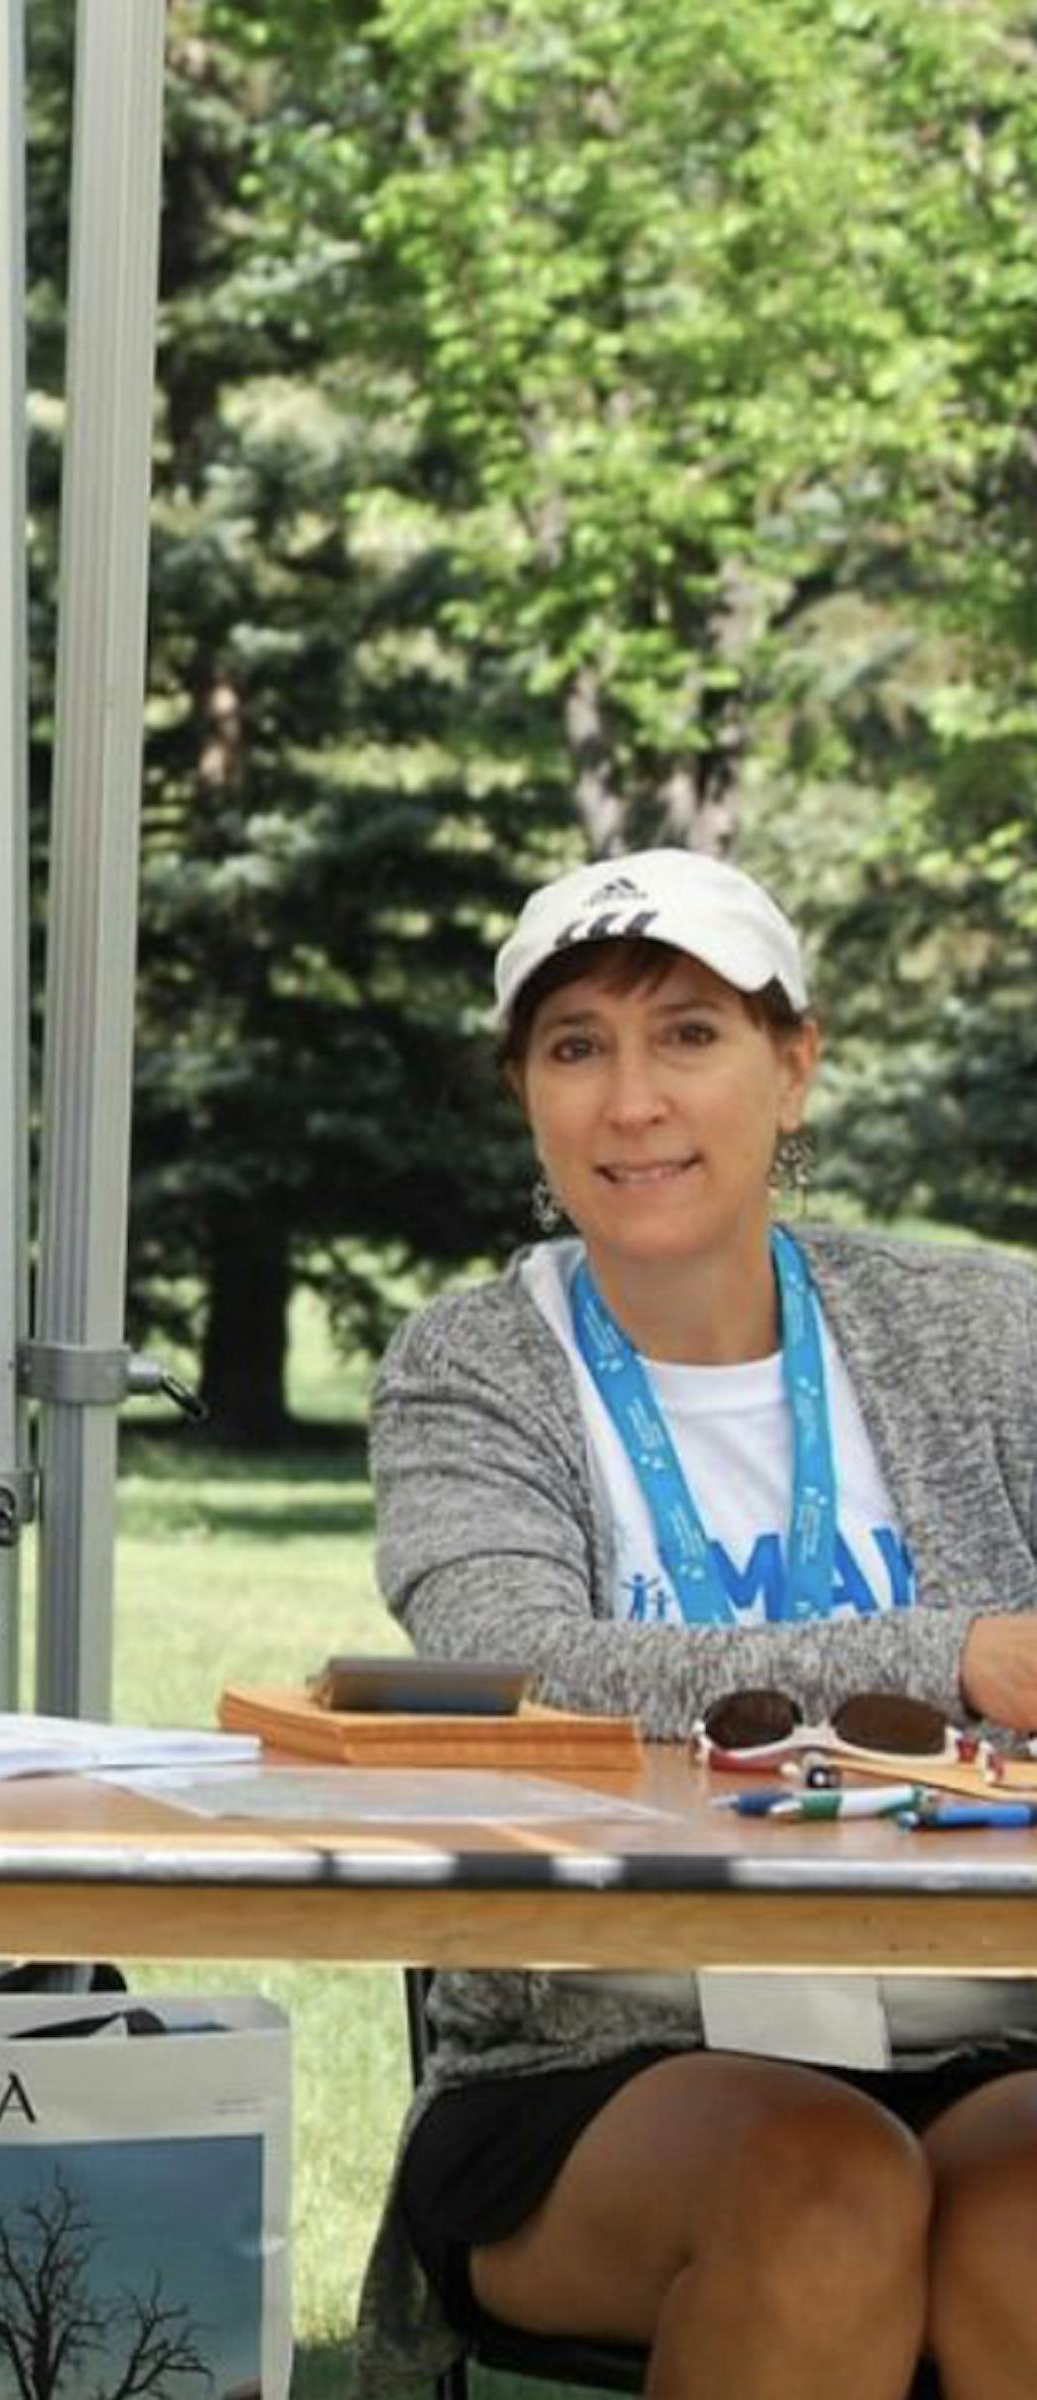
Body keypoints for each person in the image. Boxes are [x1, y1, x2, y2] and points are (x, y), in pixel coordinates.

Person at [364, 847, 1037, 2396]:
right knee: (822, 2186)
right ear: (527, 1093)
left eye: (689, 1034)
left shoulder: (982, 1335)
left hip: (985, 2018)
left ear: (793, 1069)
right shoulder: (473, 1364)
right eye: (576, 1045)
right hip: (601, 2050)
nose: (632, 1100)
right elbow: (516, 1664)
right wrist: (952, 1655)